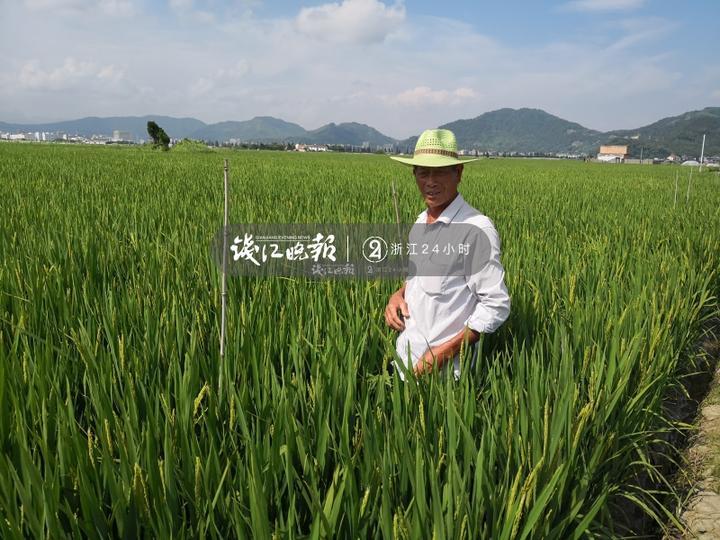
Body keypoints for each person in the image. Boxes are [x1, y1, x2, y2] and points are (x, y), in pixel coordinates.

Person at [385, 128, 511, 379]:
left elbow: (496, 305)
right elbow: (418, 279)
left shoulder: (475, 230)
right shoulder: (421, 222)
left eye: (440, 172)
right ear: (415, 175)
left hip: (445, 379)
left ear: (459, 173)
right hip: (404, 358)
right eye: (423, 172)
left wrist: (438, 358)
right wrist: (397, 296)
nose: (431, 181)